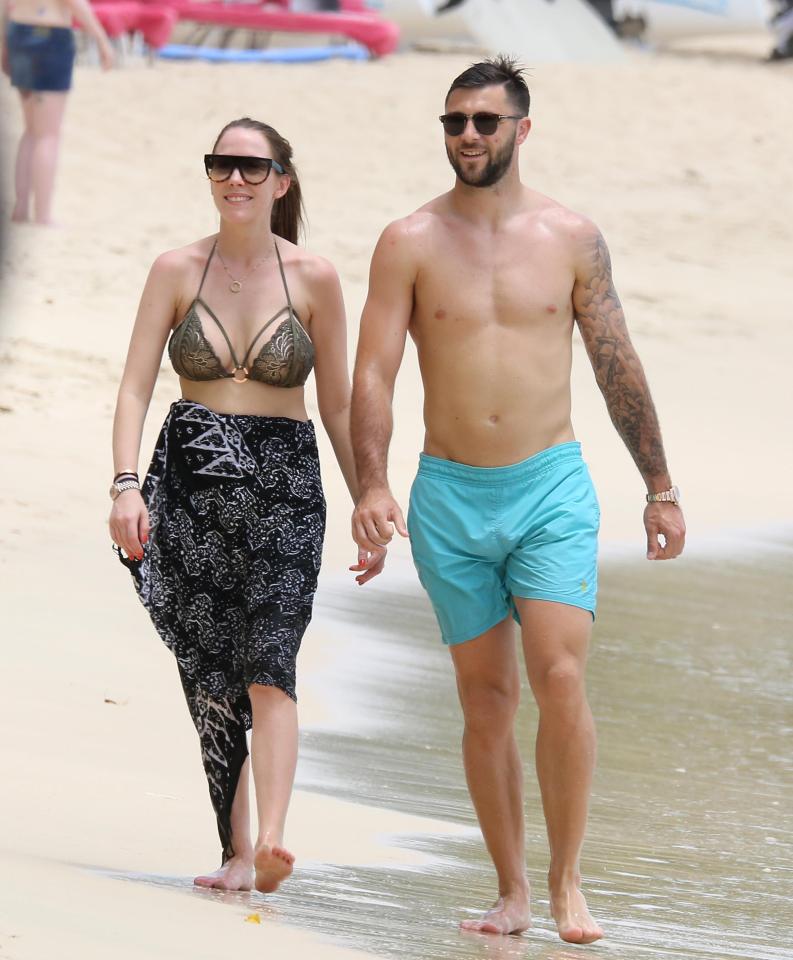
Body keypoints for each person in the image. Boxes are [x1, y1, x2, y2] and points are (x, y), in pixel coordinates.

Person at [350, 57, 685, 944]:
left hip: (548, 484)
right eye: (454, 121)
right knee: (485, 698)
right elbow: (374, 371)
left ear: (521, 131)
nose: (467, 135)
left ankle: (567, 881)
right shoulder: (408, 240)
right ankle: (510, 892)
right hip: (449, 494)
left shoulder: (571, 236)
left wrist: (658, 486)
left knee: (560, 674)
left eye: (485, 122)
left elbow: (616, 362)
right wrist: (371, 483)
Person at [110, 117, 377, 893]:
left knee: (270, 662)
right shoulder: (174, 268)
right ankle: (231, 853)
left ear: (281, 181)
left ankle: (272, 841)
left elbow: (335, 406)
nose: (236, 179)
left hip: (285, 485)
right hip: (191, 479)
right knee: (209, 671)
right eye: (222, 165)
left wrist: (367, 496)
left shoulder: (316, 278)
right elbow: (133, 386)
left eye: (252, 168)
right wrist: (125, 483)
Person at [1, 0, 113, 225]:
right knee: (47, 135)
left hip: (19, 30)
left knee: (32, 130)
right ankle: (42, 215)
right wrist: (101, 39)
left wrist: (4, 42)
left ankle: (21, 209)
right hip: (48, 36)